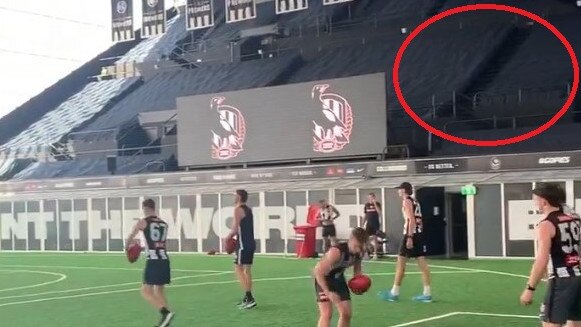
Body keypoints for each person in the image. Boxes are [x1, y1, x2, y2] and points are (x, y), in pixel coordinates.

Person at [520, 183, 581, 327]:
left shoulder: (546, 224)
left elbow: (542, 260)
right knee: (576, 322)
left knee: (551, 323)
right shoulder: (575, 220)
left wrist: (530, 288)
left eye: (536, 199)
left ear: (544, 201)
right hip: (578, 278)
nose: (535, 203)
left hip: (561, 280)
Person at [379, 182, 432, 302]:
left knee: (400, 264)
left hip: (410, 233)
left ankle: (394, 292)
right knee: (422, 264)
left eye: (400, 189)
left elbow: (411, 220)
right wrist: (418, 233)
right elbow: (419, 220)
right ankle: (427, 293)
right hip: (418, 233)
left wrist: (409, 237)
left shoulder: (406, 201)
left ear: (404, 190)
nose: (398, 191)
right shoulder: (415, 201)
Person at [126, 199, 175, 327]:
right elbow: (157, 241)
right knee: (159, 290)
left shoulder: (143, 222)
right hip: (164, 259)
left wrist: (128, 246)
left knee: (145, 291)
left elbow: (130, 238)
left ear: (144, 208)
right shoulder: (164, 223)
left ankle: (165, 313)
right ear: (154, 207)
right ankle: (166, 322)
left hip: (153, 260)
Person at [314, 227, 369, 327]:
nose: (358, 249)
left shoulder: (360, 251)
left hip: (338, 279)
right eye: (357, 246)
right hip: (324, 279)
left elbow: (357, 271)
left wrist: (359, 283)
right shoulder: (336, 252)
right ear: (351, 239)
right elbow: (318, 271)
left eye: (361, 246)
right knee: (326, 314)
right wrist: (328, 292)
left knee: (346, 313)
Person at [226, 189, 257, 309]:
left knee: (238, 268)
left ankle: (249, 297)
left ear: (239, 197)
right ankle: (248, 297)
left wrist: (226, 239)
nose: (233, 197)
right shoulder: (248, 209)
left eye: (235, 195)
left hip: (243, 244)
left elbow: (234, 229)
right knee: (247, 271)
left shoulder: (238, 209)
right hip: (250, 243)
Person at [362, 193, 382, 260]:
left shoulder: (378, 204)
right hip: (369, 224)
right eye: (369, 197)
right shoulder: (366, 205)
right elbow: (365, 215)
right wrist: (363, 223)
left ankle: (375, 254)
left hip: (375, 223)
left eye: (372, 197)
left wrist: (374, 203)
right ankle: (366, 253)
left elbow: (379, 212)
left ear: (374, 197)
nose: (371, 198)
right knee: (365, 239)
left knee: (375, 238)